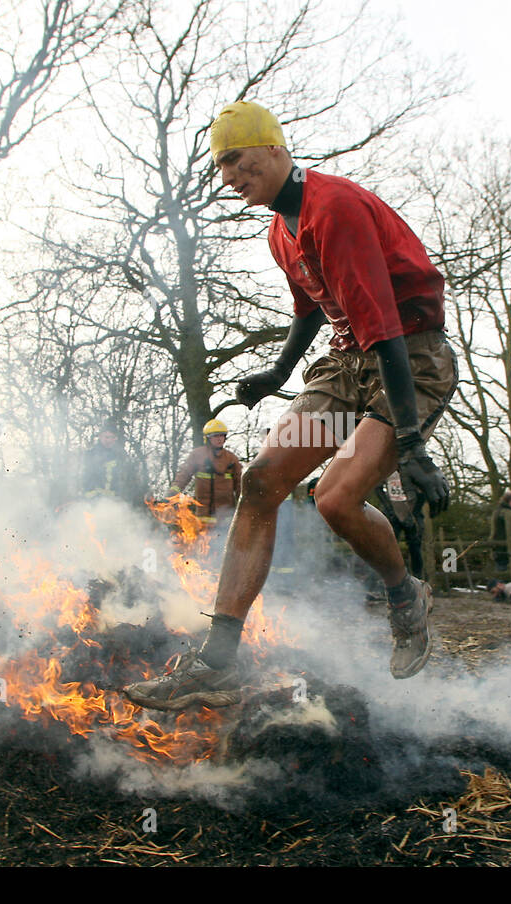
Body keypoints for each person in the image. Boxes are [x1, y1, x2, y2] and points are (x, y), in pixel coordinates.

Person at [124, 101, 455, 710]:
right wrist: (276, 371)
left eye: (236, 160)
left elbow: (383, 330)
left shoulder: (336, 209)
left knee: (333, 499)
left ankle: (406, 595)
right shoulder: (282, 228)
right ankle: (218, 662)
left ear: (274, 149)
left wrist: (410, 444)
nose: (229, 177)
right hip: (346, 360)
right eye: (221, 167)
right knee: (262, 479)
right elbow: (311, 307)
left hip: (407, 357)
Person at [169, 419, 242, 524]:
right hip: (204, 515)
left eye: (222, 435)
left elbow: (240, 484)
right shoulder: (197, 455)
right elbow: (184, 474)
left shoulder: (231, 458)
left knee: (223, 540)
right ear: (207, 438)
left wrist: (245, 506)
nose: (219, 439)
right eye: (215, 436)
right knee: (202, 540)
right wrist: (173, 492)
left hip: (226, 516)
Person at [81, 419, 144, 508]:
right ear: (100, 437)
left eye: (112, 437)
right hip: (94, 502)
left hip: (115, 502)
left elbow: (127, 480)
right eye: (106, 437)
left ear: (116, 438)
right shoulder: (91, 454)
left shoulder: (121, 456)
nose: (109, 440)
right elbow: (85, 478)